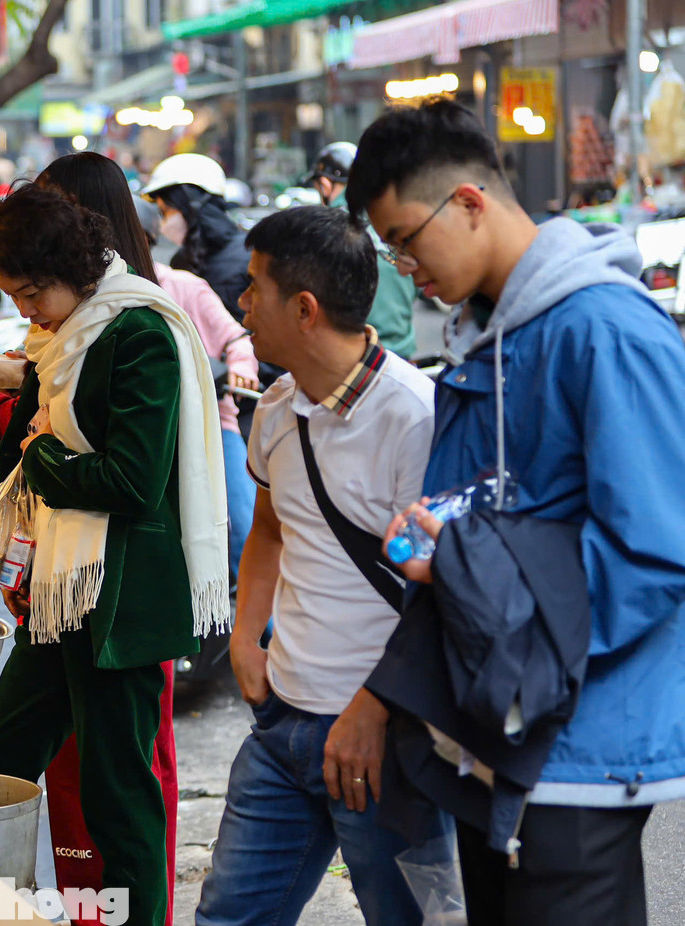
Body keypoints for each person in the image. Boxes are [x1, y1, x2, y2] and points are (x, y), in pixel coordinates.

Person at [348, 98, 685, 926]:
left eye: (405, 240)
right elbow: (481, 520)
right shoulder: (485, 338)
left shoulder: (607, 331)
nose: (403, 268)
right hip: (493, 734)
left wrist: (473, 580)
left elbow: (658, 550)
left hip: (575, 742)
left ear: (467, 202)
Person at [0, 184, 230, 926]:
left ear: (71, 270)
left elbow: (132, 481)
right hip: (63, 594)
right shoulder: (62, 339)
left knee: (120, 798)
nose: (24, 309)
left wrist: (43, 454)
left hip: (121, 603)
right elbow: (33, 433)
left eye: (29, 292)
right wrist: (26, 417)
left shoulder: (139, 331)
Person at [194, 205, 446, 926]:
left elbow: (444, 592)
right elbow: (270, 528)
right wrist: (246, 636)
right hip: (281, 728)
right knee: (228, 916)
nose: (241, 304)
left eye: (253, 287)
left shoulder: (415, 417)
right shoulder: (275, 408)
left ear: (303, 309)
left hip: (383, 741)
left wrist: (372, 711)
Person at [134, 195, 258, 580]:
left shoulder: (184, 286)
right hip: (146, 435)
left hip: (211, 425)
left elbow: (236, 339)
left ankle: (265, 634)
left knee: (242, 526)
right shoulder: (99, 299)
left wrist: (240, 366)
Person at [306, 142, 418, 359]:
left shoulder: (329, 228)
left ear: (325, 185)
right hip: (405, 359)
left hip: (356, 359)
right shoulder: (390, 219)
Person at [142, 153, 252, 319]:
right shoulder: (180, 261)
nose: (164, 222)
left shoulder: (250, 255)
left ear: (192, 204)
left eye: (166, 211)